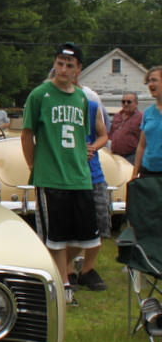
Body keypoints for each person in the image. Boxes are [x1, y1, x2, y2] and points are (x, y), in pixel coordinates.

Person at [21, 42, 98, 307]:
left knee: (87, 237)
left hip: (79, 176)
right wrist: (34, 167)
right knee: (55, 237)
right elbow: (27, 133)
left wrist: (84, 155)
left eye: (69, 65)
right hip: (51, 177)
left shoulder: (82, 98)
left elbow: (81, 135)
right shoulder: (40, 94)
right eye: (60, 63)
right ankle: (64, 286)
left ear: (78, 69)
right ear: (54, 63)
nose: (63, 69)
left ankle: (53, 272)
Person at [67, 85, 110, 292]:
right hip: (67, 176)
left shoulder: (92, 106)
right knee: (69, 227)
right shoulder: (55, 107)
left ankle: (87, 270)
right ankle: (67, 271)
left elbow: (103, 134)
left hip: (94, 175)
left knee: (99, 224)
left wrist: (93, 147)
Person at [132, 67, 162, 179]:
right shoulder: (148, 112)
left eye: (154, 80)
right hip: (147, 171)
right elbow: (141, 145)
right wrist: (135, 173)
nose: (150, 84)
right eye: (149, 81)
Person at [109, 92, 143, 165]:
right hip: (116, 156)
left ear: (136, 103)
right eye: (123, 101)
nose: (126, 104)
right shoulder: (117, 116)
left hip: (132, 156)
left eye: (129, 102)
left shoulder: (141, 117)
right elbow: (111, 135)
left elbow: (145, 139)